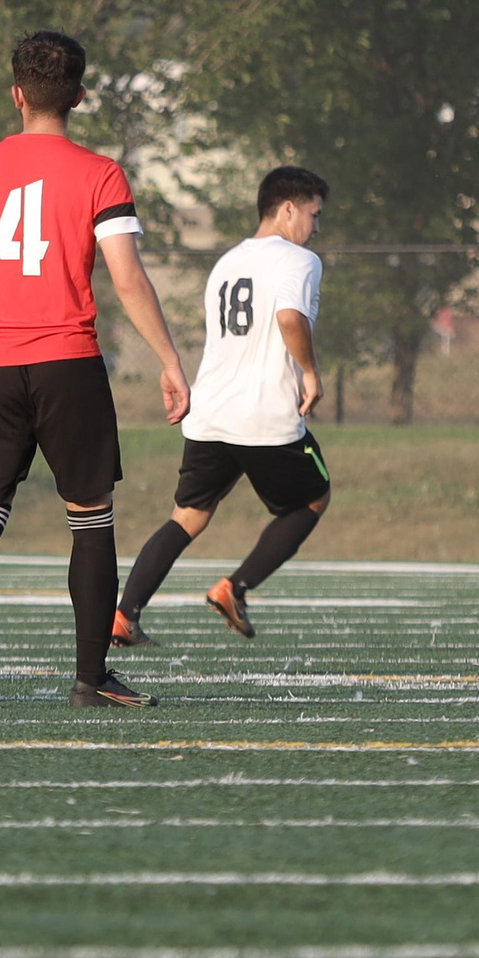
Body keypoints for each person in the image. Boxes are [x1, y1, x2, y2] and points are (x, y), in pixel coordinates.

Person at [0, 31, 190, 709]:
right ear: (80, 96)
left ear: (16, 94)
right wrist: (171, 360)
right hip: (69, 365)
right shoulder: (100, 174)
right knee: (89, 519)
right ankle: (91, 677)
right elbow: (127, 279)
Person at [113, 165, 331, 647]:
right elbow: (290, 317)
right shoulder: (299, 260)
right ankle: (235, 587)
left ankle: (124, 614)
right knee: (313, 498)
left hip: (210, 414)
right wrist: (311, 374)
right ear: (288, 209)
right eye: (314, 215)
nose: (316, 228)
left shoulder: (228, 261)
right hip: (264, 417)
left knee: (187, 515)